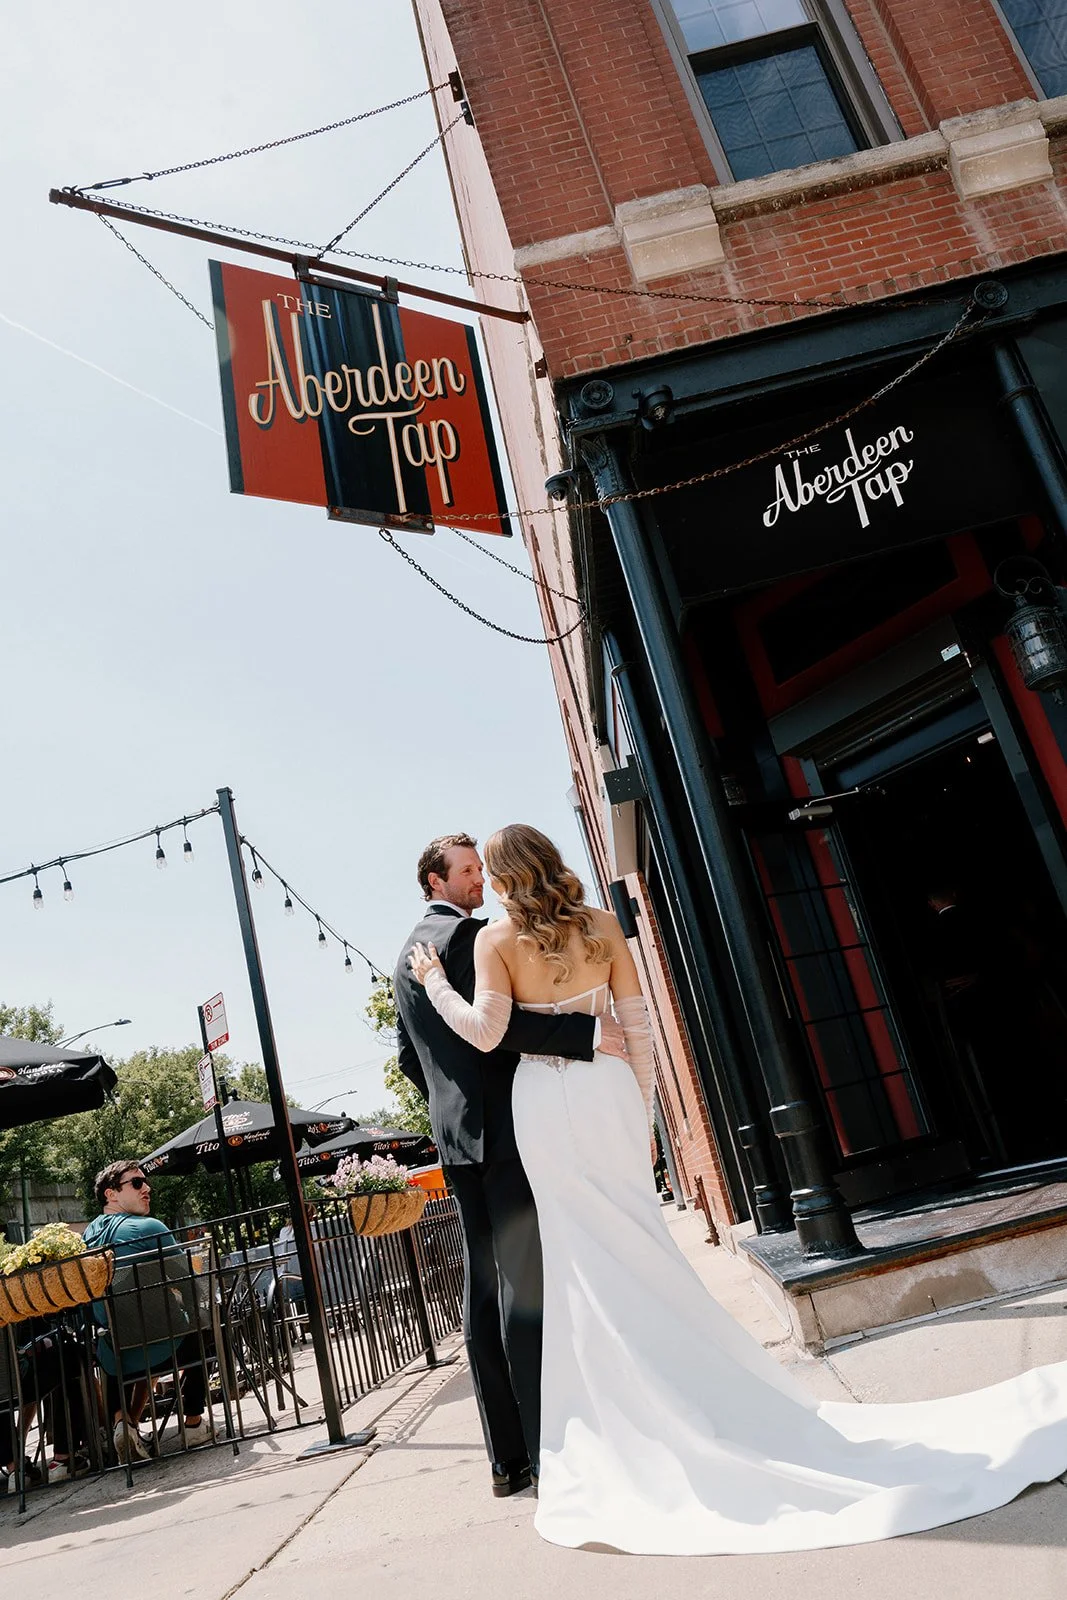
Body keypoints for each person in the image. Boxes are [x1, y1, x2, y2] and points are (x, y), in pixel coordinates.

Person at [410, 822, 1067, 1556]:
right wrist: (644, 1119)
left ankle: (626, 1412)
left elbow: (486, 1032)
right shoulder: (599, 925)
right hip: (608, 1101)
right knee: (639, 1243)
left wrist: (434, 980)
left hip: (544, 1108)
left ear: (499, 876)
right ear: (550, 861)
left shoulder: (496, 942)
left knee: (580, 1261)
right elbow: (641, 1028)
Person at [394, 831, 629, 1499]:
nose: (477, 881)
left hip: (457, 1140)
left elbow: (413, 1058)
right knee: (522, 1284)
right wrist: (583, 1034)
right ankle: (545, 1444)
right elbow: (499, 1028)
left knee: (485, 1289)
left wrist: (453, 1105)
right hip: (501, 1132)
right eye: (466, 872)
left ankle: (506, 1459)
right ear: (434, 882)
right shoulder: (466, 940)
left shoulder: (403, 958)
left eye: (477, 869)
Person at [82, 1161, 213, 1463]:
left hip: (116, 1357)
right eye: (137, 1183)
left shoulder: (87, 1239)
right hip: (165, 1347)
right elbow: (192, 1286)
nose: (147, 1188)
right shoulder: (150, 1228)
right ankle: (193, 1423)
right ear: (111, 1194)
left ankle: (122, 1422)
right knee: (204, 1324)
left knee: (114, 1335)